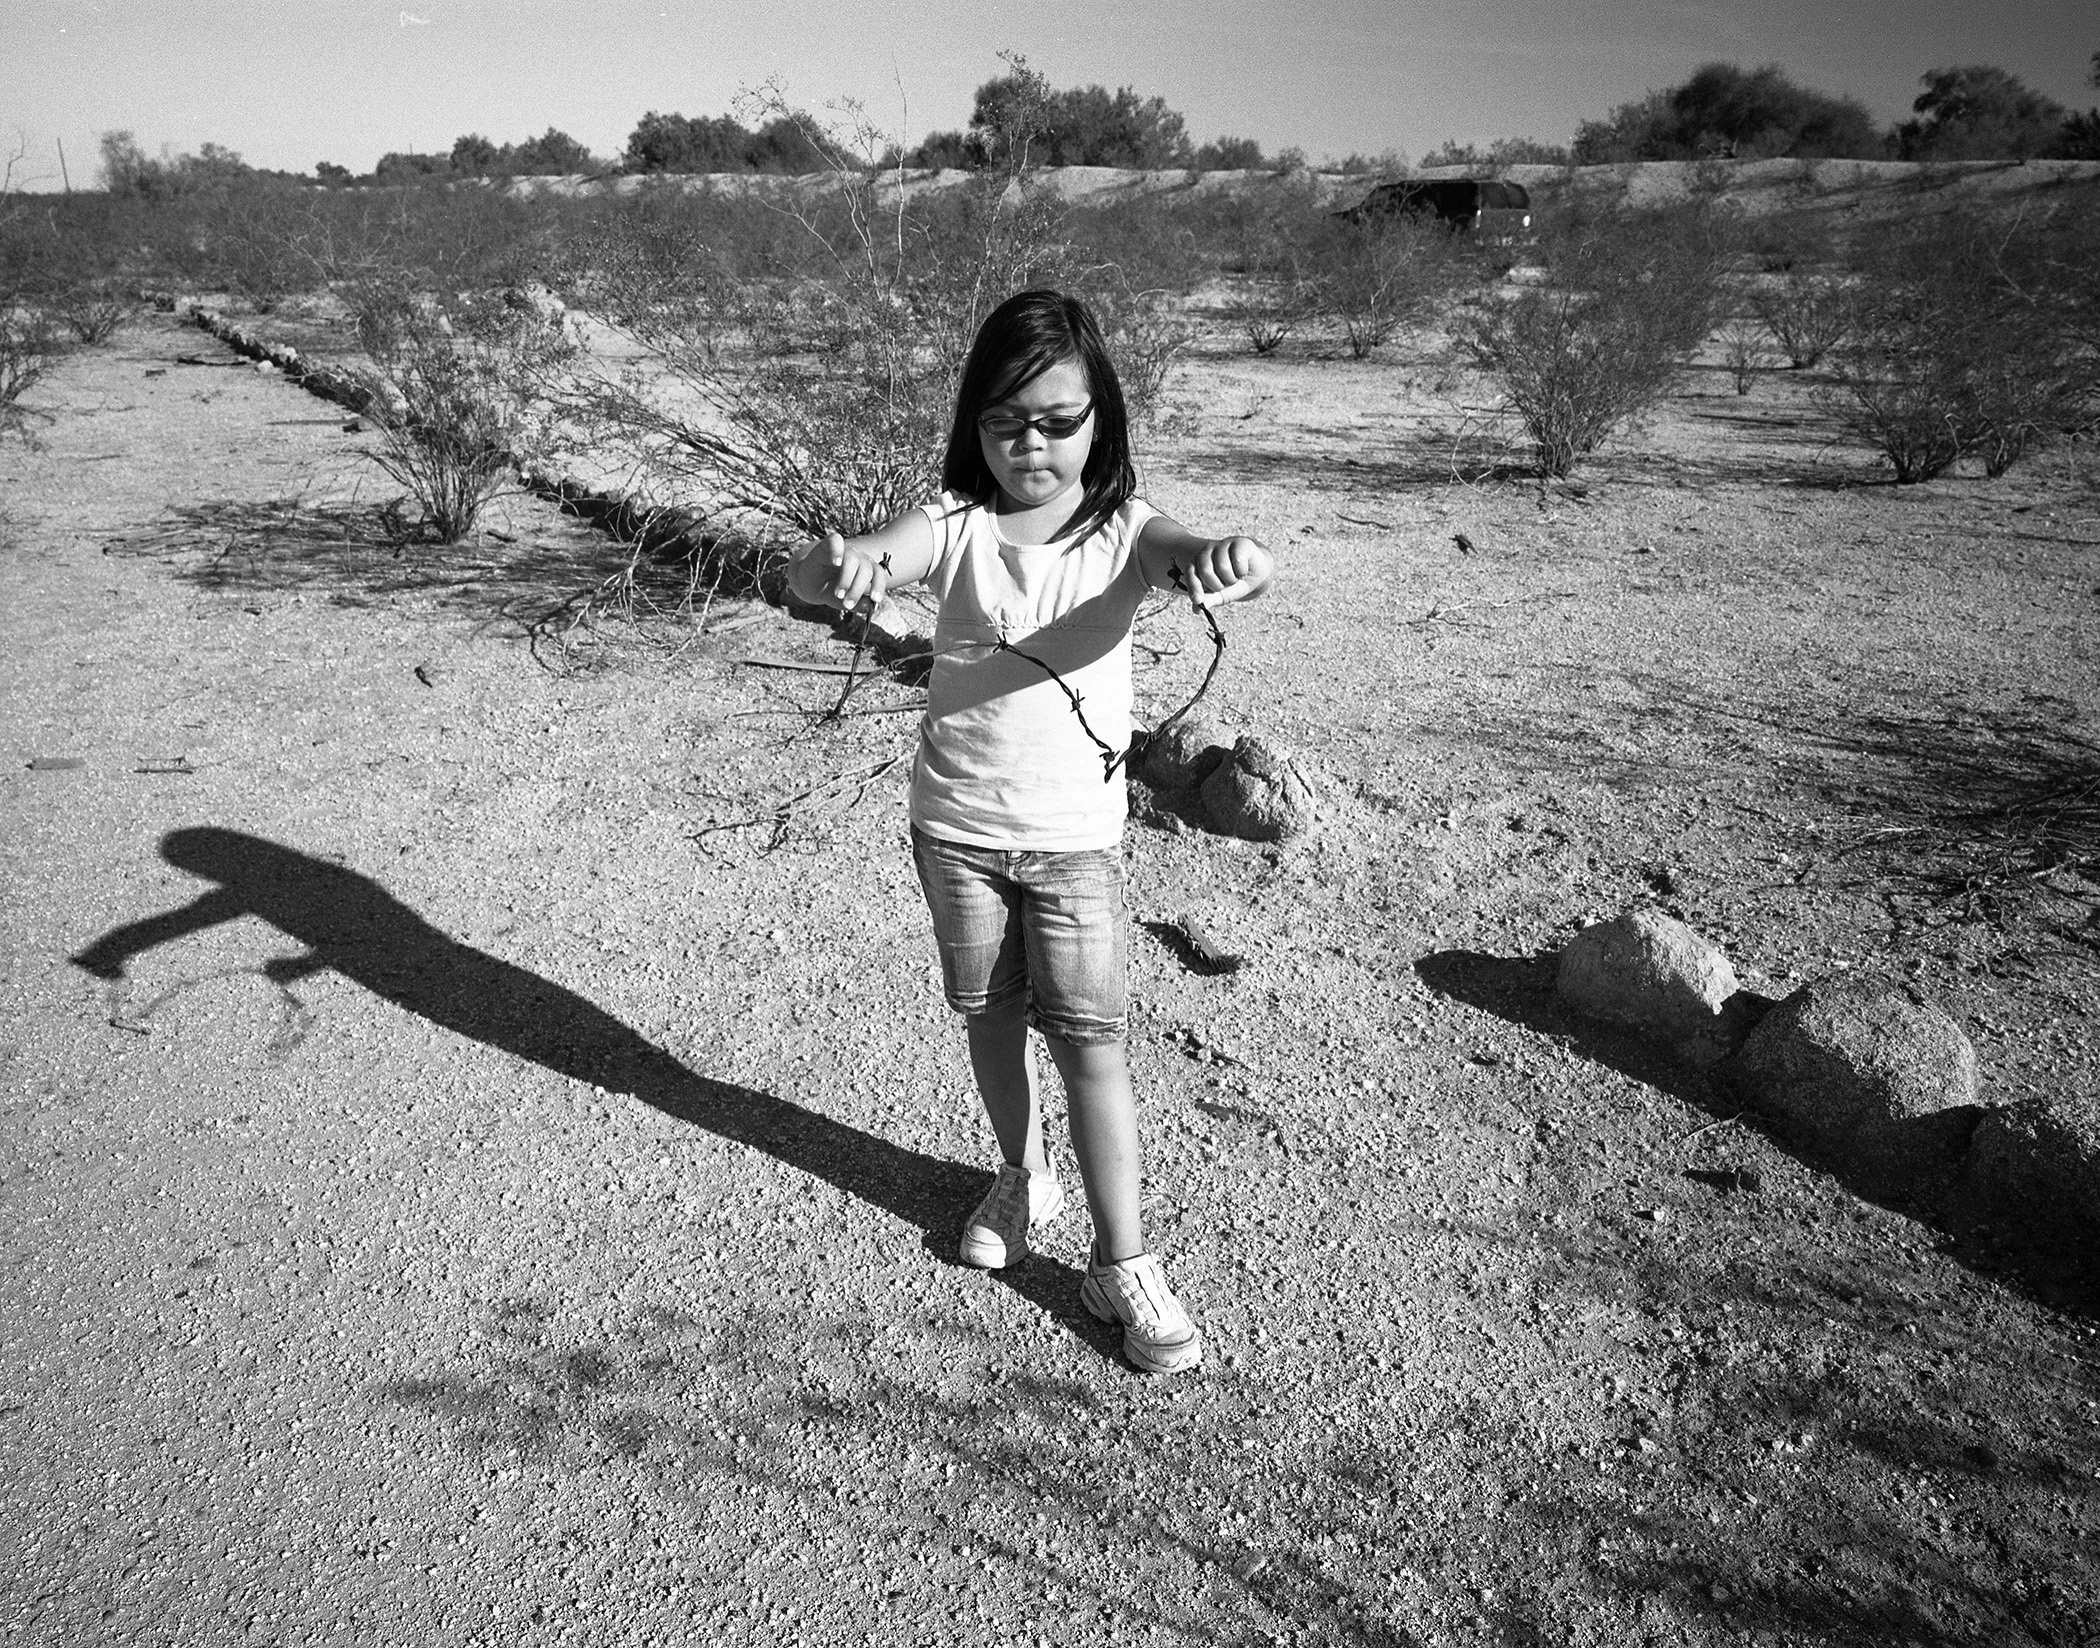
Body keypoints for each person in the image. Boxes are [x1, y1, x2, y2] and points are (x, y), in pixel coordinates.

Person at [785, 289, 1274, 1374]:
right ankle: (1020, 1172)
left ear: (1102, 417)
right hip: (954, 831)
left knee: (1092, 1044)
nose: (1033, 444)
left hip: (1074, 848)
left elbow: (1195, 552)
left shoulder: (1128, 531)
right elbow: (828, 569)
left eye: (1059, 418)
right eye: (1008, 421)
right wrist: (839, 567)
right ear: (976, 422)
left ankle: (1123, 1259)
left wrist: (1234, 557)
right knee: (990, 1019)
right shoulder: (955, 524)